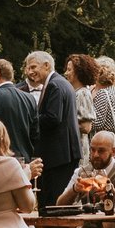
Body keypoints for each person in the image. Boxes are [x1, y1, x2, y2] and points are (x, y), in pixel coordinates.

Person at [29, 51, 83, 205]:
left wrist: (30, 118)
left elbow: (53, 118)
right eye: (28, 68)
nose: (30, 72)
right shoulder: (61, 83)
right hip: (64, 154)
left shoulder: (54, 85)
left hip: (58, 157)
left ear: (46, 65)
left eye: (33, 67)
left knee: (53, 203)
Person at [58, 130, 115, 205]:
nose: (95, 155)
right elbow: (59, 204)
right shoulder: (81, 172)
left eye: (101, 151)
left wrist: (111, 196)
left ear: (113, 151)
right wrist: (74, 189)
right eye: (92, 150)